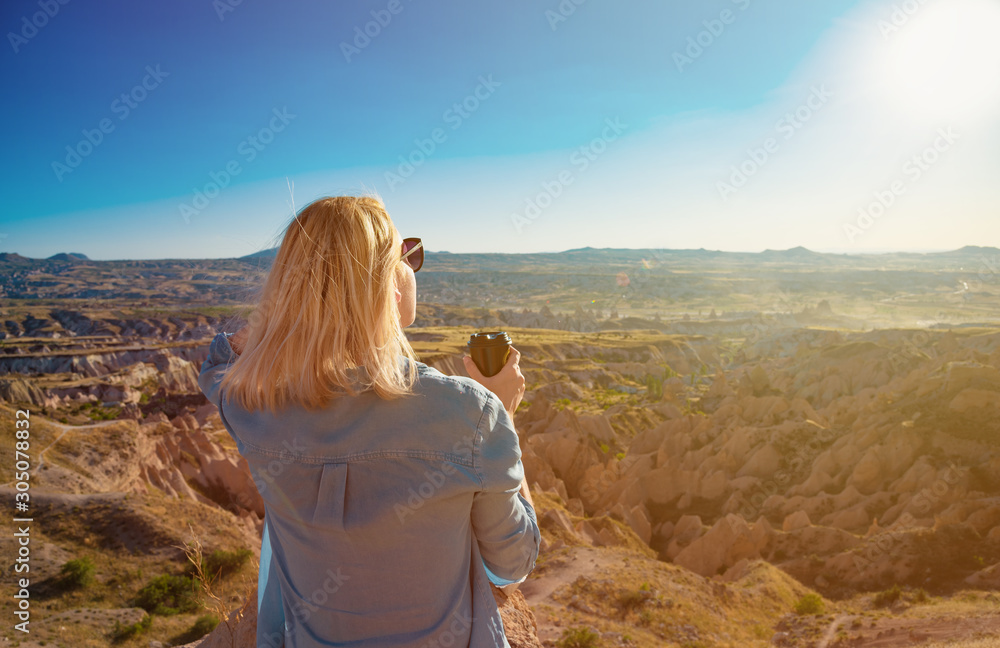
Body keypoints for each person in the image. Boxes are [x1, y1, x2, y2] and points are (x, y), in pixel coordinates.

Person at [197, 195, 539, 648]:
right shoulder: (471, 413)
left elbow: (218, 366)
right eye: (408, 256)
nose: (413, 266)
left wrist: (288, 320)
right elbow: (511, 564)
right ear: (389, 286)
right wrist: (503, 415)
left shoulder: (252, 407)